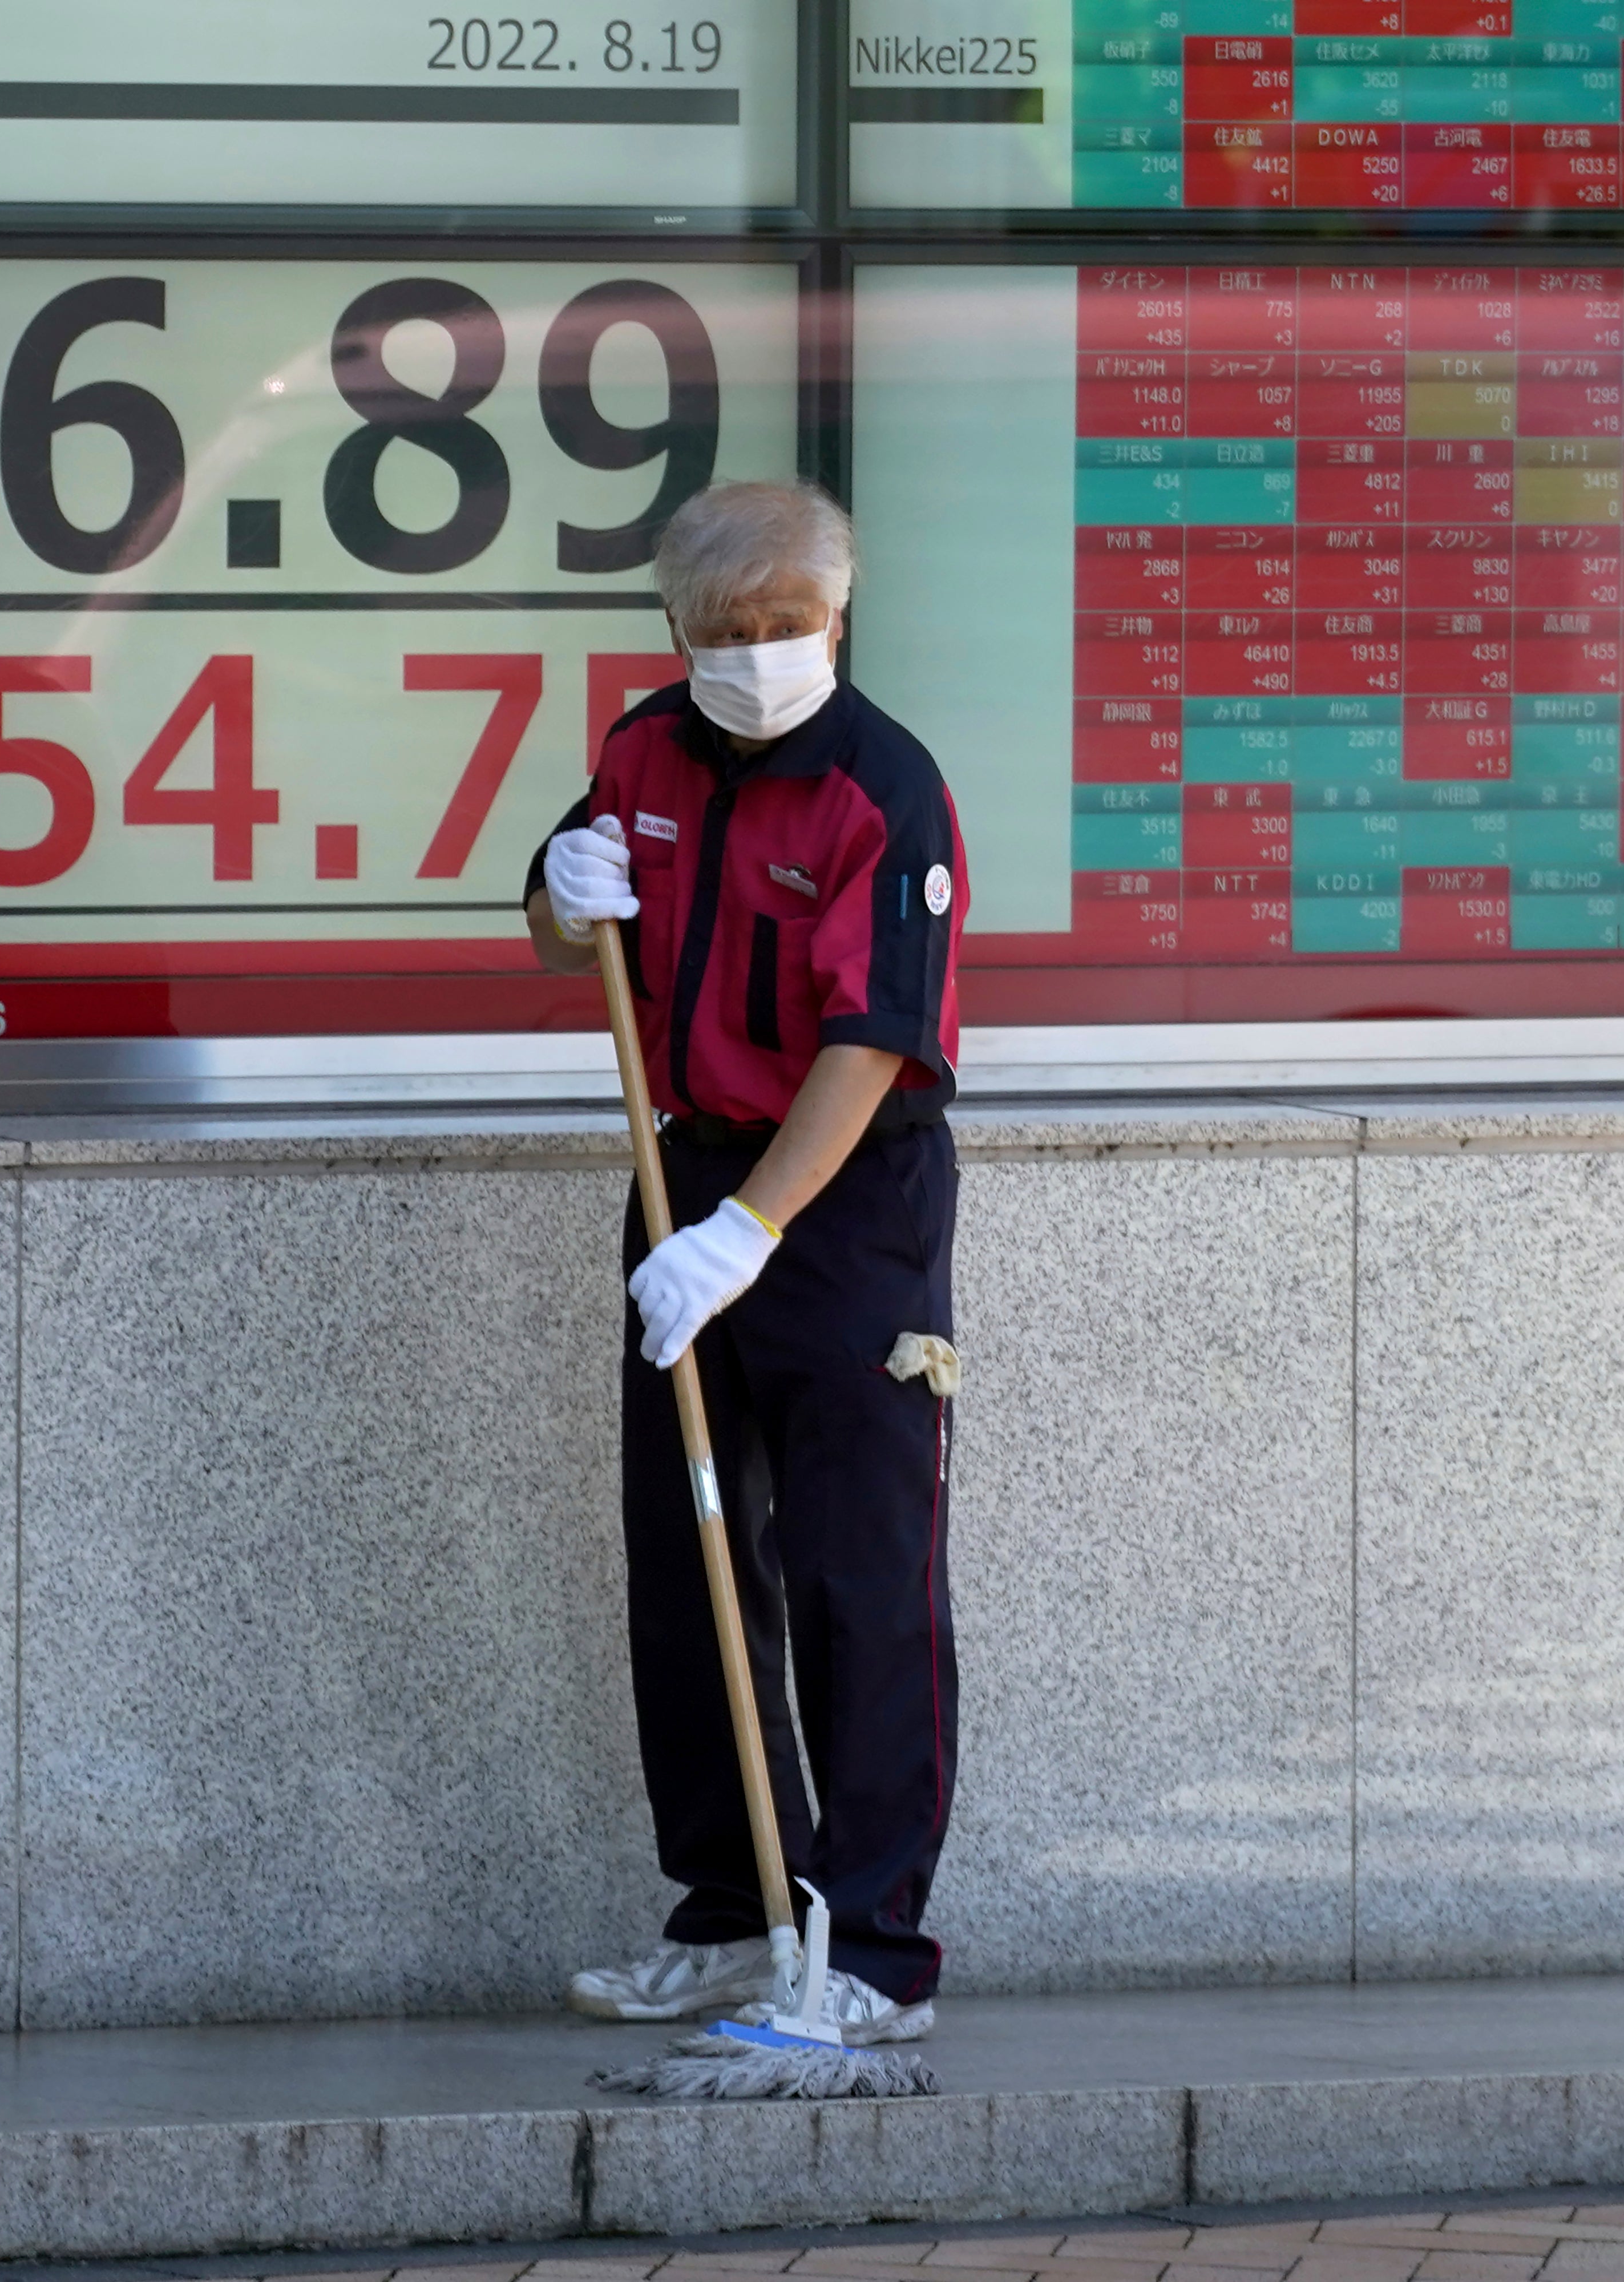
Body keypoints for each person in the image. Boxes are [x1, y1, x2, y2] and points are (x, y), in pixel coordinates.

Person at [526, 478, 966, 2049]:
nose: (758, 656)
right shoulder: (646, 746)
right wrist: (560, 905)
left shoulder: (883, 790)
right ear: (678, 628)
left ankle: (875, 1953)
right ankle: (734, 1916)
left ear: (835, 618)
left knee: (863, 1578)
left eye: (787, 629)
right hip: (683, 1170)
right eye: (727, 632)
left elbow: (870, 1049)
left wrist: (749, 1233)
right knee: (693, 1564)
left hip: (843, 1213)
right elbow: (562, 910)